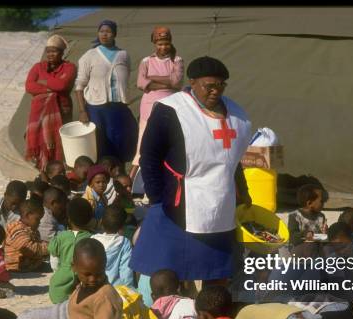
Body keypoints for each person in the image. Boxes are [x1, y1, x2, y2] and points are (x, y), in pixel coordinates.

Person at [131, 56, 253, 289]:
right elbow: (150, 155)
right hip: (177, 204)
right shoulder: (171, 109)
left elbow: (233, 160)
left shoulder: (236, 115)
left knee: (215, 272)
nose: (216, 91)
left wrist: (243, 192)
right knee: (166, 272)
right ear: (193, 82)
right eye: (210, 86)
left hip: (221, 204)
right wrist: (158, 197)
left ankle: (211, 309)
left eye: (221, 85)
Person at [75, 20, 138, 163]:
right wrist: (82, 110)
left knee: (122, 142)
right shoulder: (89, 56)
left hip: (119, 107)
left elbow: (125, 77)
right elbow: (79, 85)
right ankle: (102, 179)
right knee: (101, 145)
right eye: (101, 31)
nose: (104, 34)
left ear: (114, 34)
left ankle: (119, 176)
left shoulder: (123, 55)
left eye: (108, 31)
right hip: (97, 109)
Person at [130, 26, 184, 180]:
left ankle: (167, 177)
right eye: (160, 43)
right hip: (149, 106)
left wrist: (152, 78)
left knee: (167, 140)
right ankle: (132, 180)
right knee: (143, 140)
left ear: (170, 42)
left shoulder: (177, 60)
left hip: (171, 104)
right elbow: (141, 83)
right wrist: (166, 82)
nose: (163, 47)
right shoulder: (146, 61)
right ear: (154, 44)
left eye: (166, 43)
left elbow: (177, 83)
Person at [25, 35, 75, 171]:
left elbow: (62, 85)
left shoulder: (69, 67)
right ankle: (43, 172)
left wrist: (42, 82)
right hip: (39, 114)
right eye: (48, 51)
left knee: (60, 145)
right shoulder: (38, 67)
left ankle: (58, 173)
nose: (50, 54)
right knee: (41, 145)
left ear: (61, 52)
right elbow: (29, 86)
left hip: (62, 111)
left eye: (54, 51)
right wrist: (51, 87)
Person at [49, 198, 94, 304]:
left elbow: (53, 259)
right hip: (80, 281)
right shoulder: (91, 239)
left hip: (59, 282)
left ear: (68, 218)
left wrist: (58, 271)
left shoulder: (61, 236)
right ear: (90, 219)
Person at [92, 204, 134, 287]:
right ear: (122, 227)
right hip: (115, 291)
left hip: (95, 288)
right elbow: (126, 273)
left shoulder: (92, 240)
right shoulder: (124, 243)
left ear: (101, 222)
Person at [4, 200, 50, 273]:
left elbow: (38, 243)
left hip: (30, 264)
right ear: (27, 215)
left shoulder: (32, 230)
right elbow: (29, 248)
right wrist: (50, 247)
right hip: (17, 267)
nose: (39, 222)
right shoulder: (17, 229)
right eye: (37, 219)